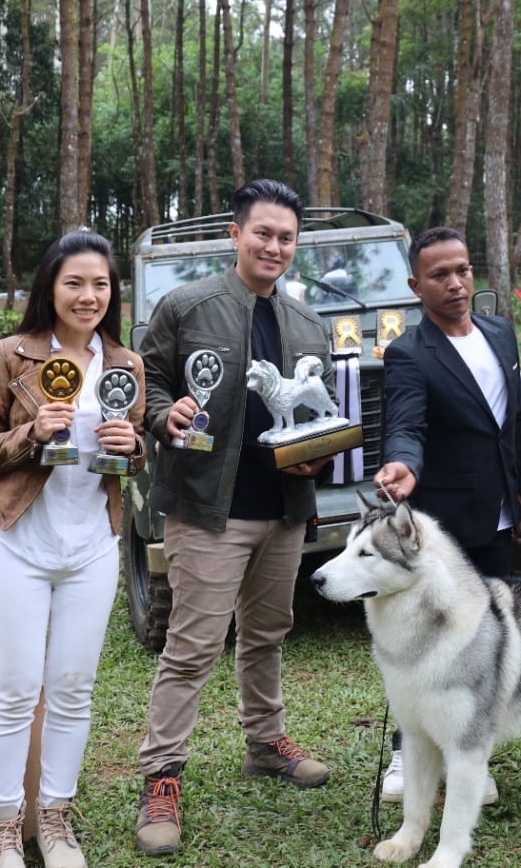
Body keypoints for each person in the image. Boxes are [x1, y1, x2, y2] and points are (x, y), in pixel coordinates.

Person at [134, 179, 336, 857]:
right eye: (263, 233)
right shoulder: (186, 307)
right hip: (207, 509)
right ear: (235, 234)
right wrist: (164, 414)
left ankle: (265, 744)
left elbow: (318, 414)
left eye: (286, 238)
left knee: (268, 633)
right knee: (193, 646)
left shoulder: (308, 323)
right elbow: (148, 382)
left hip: (283, 508)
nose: (274, 247)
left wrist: (317, 459)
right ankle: (162, 777)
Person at [0, 230, 146, 868]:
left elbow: (134, 456)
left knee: (72, 689)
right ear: (50, 288)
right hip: (18, 546)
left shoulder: (125, 364)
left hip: (91, 550)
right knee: (15, 692)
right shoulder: (11, 356)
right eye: (75, 283)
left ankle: (56, 821)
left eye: (100, 284)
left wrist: (131, 448)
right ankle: (3, 829)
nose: (88, 296)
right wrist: (29, 433)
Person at [372, 227, 521, 804]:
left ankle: (470, 756)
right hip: (444, 519)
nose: (456, 282)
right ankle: (405, 754)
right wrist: (403, 464)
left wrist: (519, 491)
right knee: (425, 642)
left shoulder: (500, 332)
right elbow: (406, 423)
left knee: (483, 643)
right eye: (439, 275)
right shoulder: (409, 352)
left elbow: (509, 421)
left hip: (499, 513)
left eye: (462, 269)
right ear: (416, 286)